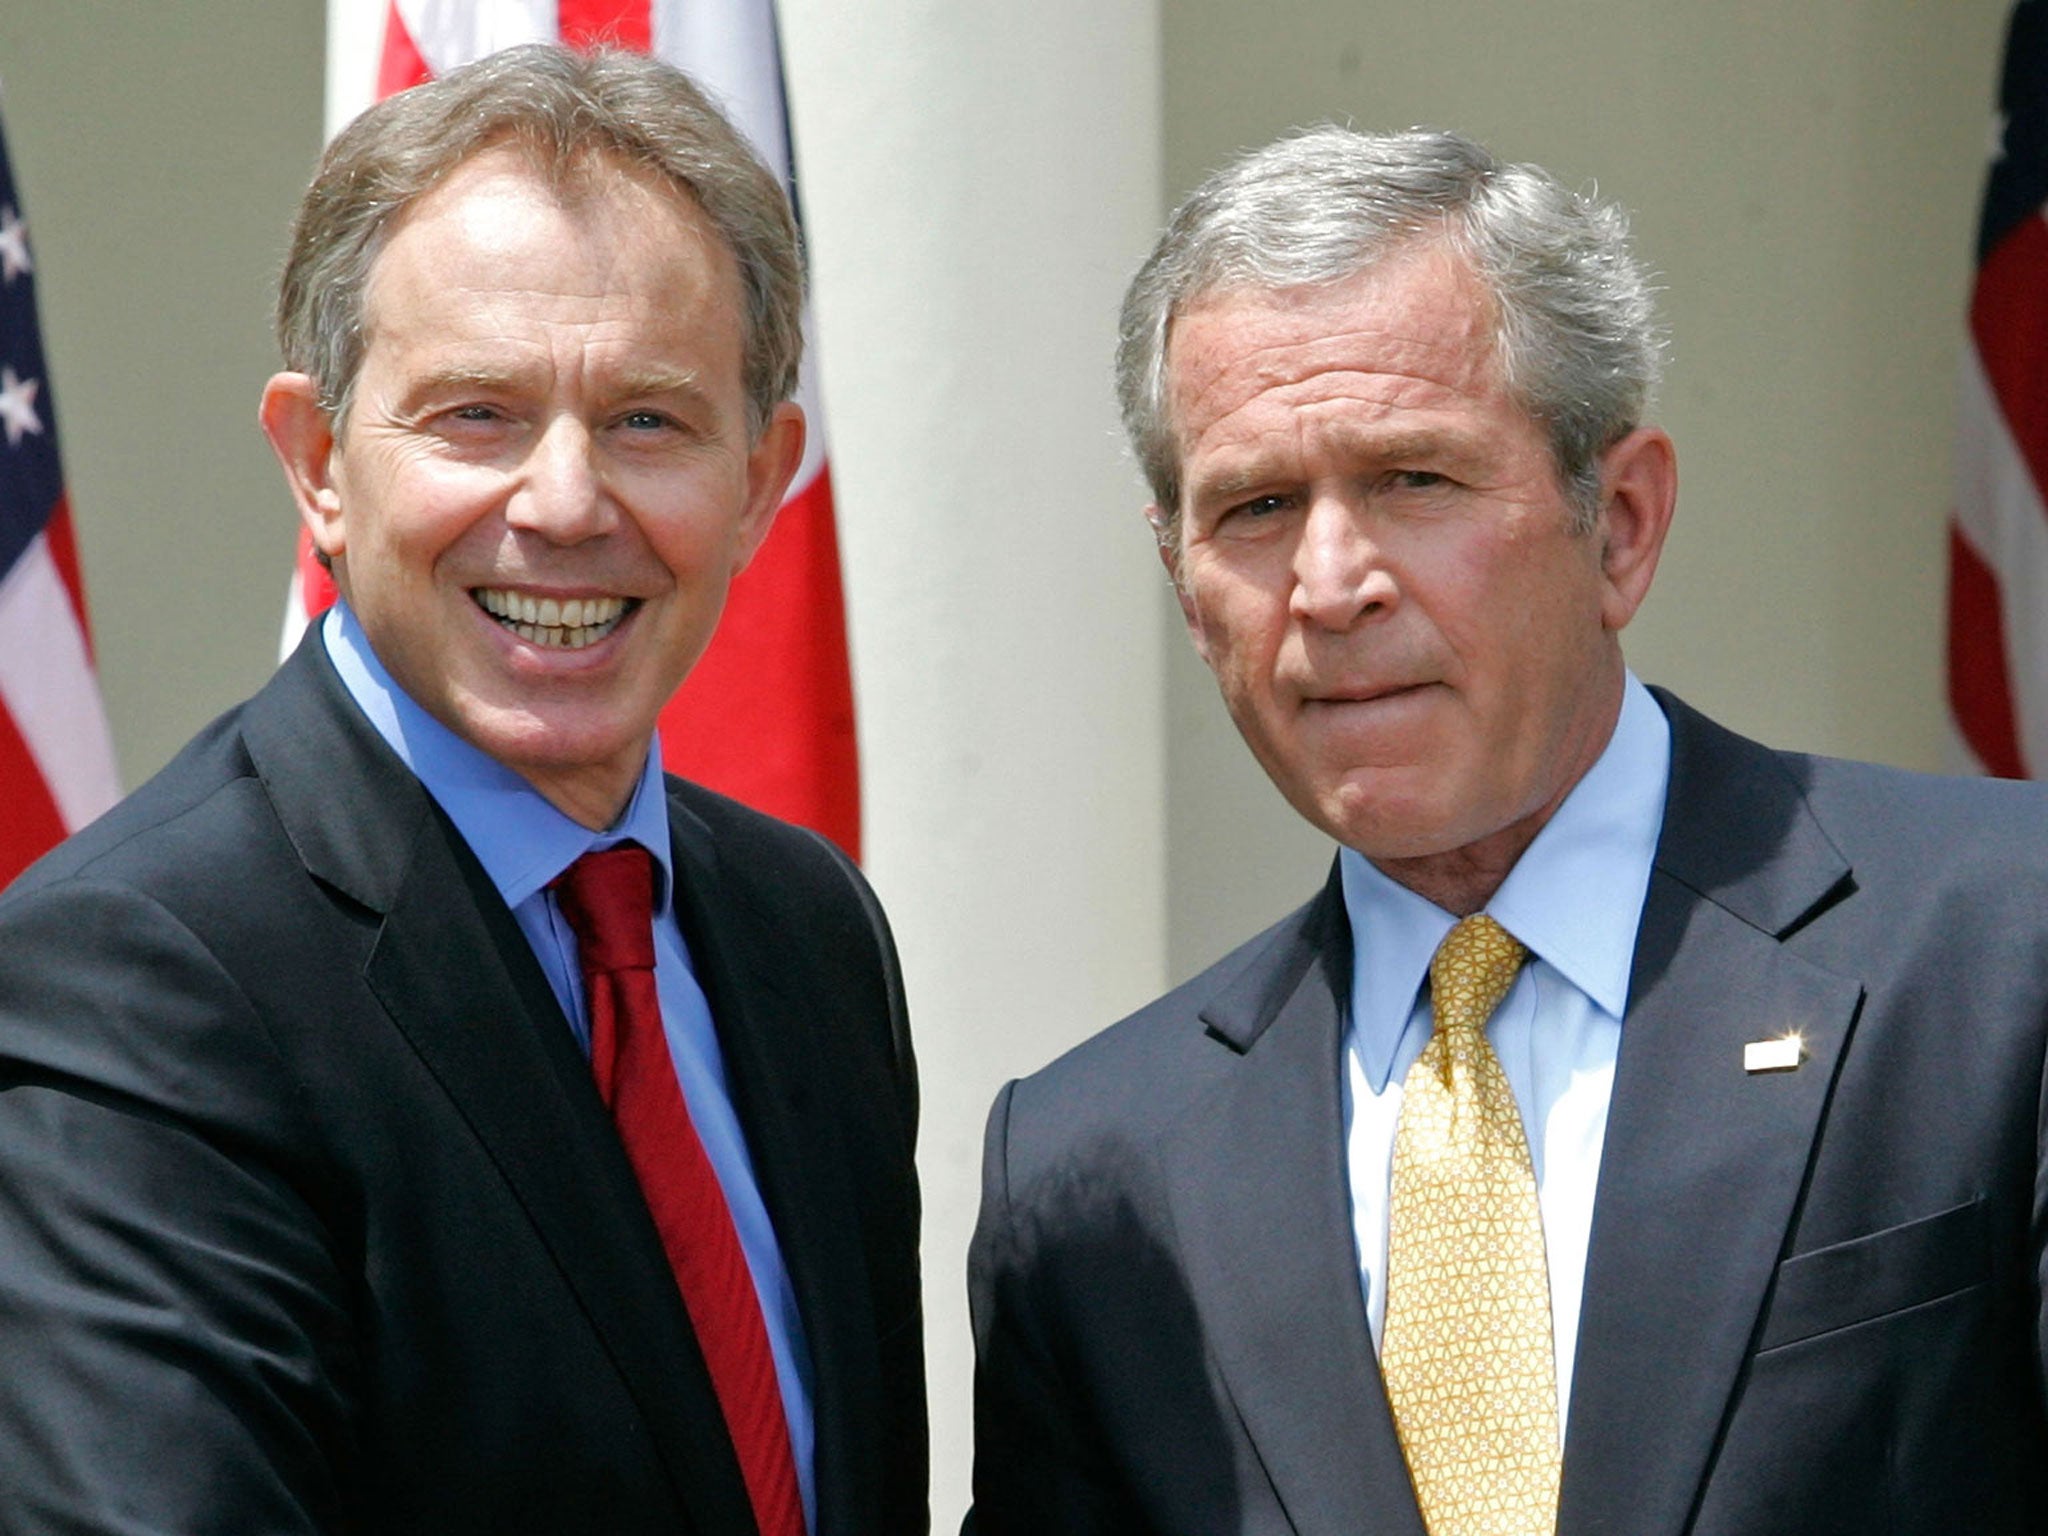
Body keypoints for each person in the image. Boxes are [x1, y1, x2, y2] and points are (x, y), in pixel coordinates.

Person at [965, 124, 2048, 1535]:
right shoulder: (1091, 1165)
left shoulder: (2002, 943)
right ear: (1184, 584)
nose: (1330, 582)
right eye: (1257, 507)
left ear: (1623, 527)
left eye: (1415, 480)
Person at [0, 44, 925, 1536]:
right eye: (475, 415)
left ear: (760, 484)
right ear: (318, 464)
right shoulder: (137, 979)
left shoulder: (808, 937)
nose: (564, 504)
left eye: (648, 420)